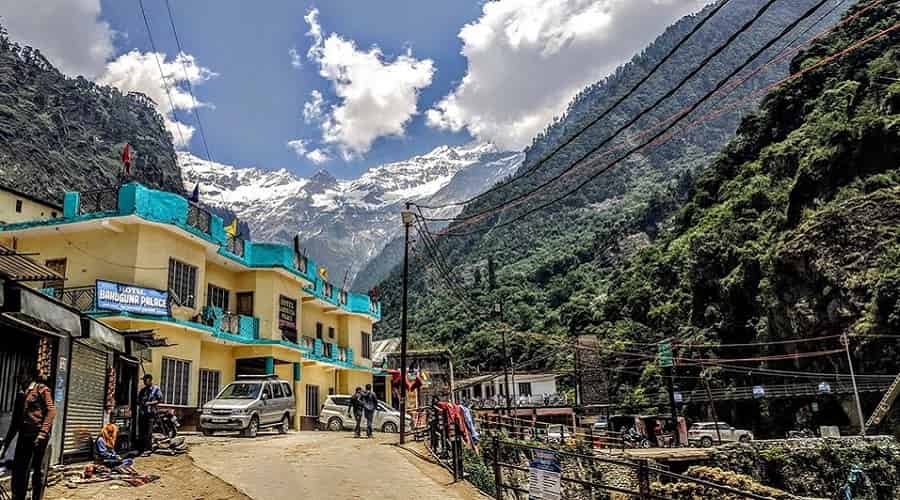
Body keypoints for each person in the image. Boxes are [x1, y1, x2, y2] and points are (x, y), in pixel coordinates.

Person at [0, 366, 56, 500]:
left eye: (22, 374)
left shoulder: (42, 389)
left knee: (38, 471)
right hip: (24, 436)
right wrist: (5, 445)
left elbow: (51, 411)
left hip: (38, 436)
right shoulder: (20, 395)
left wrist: (42, 433)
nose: (18, 377)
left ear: (30, 376)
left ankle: (37, 497)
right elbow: (14, 423)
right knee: (19, 470)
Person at [137, 374, 162, 455]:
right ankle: (142, 448)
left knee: (148, 432)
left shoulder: (156, 389)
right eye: (143, 380)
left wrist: (149, 403)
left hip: (151, 413)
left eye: (145, 380)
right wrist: (141, 403)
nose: (144, 382)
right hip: (142, 413)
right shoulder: (143, 390)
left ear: (150, 380)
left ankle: (148, 449)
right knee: (142, 432)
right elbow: (139, 400)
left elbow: (159, 400)